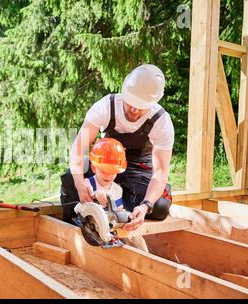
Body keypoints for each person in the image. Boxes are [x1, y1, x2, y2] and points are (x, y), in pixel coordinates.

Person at [61, 64, 174, 232]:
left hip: (139, 168)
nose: (134, 110)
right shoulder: (105, 107)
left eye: (141, 105)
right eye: (131, 102)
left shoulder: (161, 121)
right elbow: (78, 149)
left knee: (158, 206)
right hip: (106, 161)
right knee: (70, 178)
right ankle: (77, 225)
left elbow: (160, 173)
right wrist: (79, 184)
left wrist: (145, 206)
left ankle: (120, 209)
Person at [84, 137, 127, 210]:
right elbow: (82, 206)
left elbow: (119, 212)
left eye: (112, 172)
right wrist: (95, 195)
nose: (108, 175)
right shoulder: (87, 183)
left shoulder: (117, 190)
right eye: (103, 171)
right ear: (94, 168)